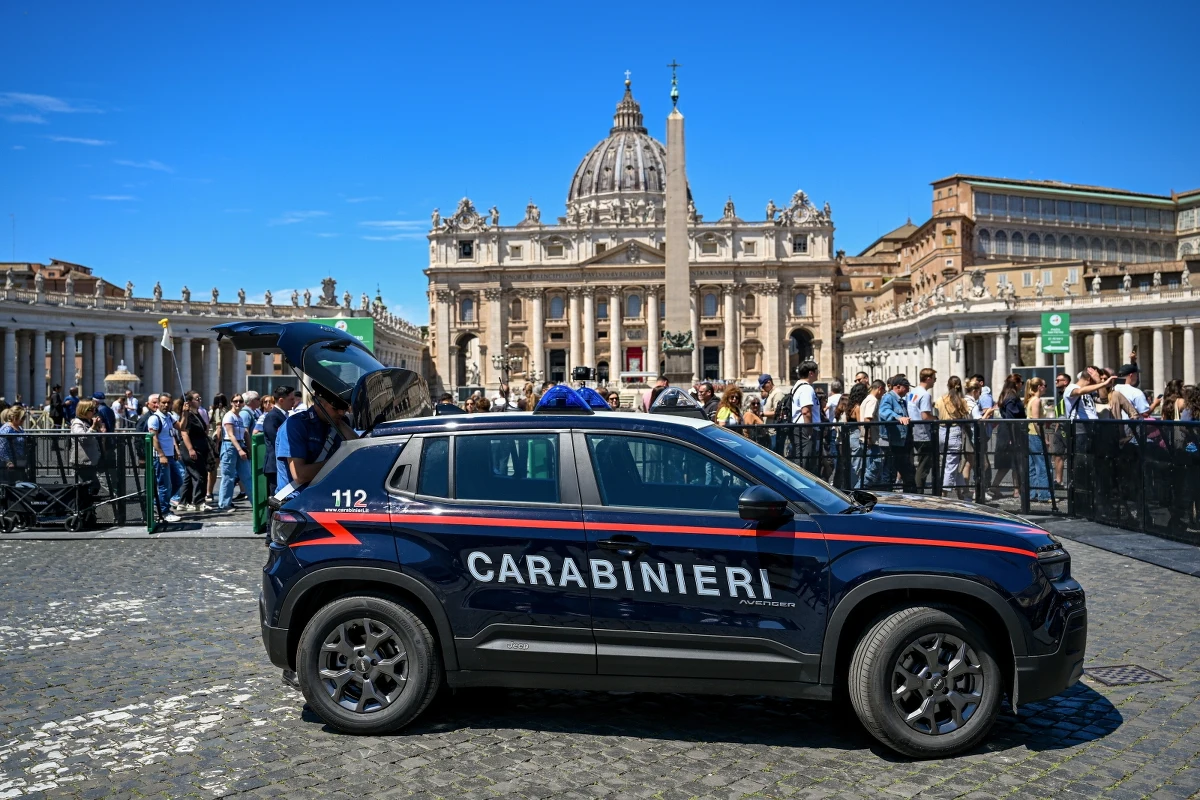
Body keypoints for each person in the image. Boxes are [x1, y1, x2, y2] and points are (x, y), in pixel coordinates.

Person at [275, 383, 351, 499]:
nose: (341, 412)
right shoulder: (296, 425)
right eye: (336, 408)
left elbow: (360, 451)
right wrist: (339, 462)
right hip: (298, 501)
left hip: (327, 497)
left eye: (344, 408)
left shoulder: (339, 422)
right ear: (319, 404)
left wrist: (339, 423)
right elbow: (299, 475)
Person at [988, 374, 1027, 502]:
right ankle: (1016, 490)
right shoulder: (1012, 397)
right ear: (1016, 383)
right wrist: (1013, 436)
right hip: (1011, 432)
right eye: (1021, 382)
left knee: (1009, 462)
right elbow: (1012, 417)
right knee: (1015, 461)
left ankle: (998, 486)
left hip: (1006, 431)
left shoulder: (1005, 395)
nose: (1022, 384)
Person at [147, 392, 183, 524]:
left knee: (178, 481)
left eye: (168, 402)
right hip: (160, 457)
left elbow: (182, 427)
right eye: (163, 402)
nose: (166, 405)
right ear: (158, 403)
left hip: (170, 456)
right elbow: (154, 438)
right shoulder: (155, 418)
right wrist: (161, 455)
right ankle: (164, 511)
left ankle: (160, 503)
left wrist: (185, 412)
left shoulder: (169, 416)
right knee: (164, 485)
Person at [934, 377, 971, 499]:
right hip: (955, 431)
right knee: (951, 465)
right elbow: (966, 414)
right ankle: (944, 494)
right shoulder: (961, 401)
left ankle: (962, 492)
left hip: (941, 431)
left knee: (950, 463)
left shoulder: (940, 399)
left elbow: (936, 412)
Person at [878, 375, 915, 492]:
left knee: (905, 471)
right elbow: (884, 411)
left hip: (902, 441)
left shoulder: (902, 401)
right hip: (893, 442)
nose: (908, 390)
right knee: (890, 472)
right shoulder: (888, 397)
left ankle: (909, 495)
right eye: (906, 387)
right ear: (897, 387)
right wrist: (898, 417)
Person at [176, 391, 211, 512]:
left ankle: (183, 502)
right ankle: (198, 502)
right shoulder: (187, 415)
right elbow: (184, 432)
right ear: (189, 402)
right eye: (197, 398)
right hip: (191, 449)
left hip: (200, 447)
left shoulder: (197, 413)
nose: (200, 400)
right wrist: (191, 449)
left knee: (189, 476)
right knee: (199, 475)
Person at [217, 395, 252, 511]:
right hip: (230, 446)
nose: (238, 403)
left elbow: (245, 434)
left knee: (247, 475)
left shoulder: (240, 417)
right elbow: (230, 434)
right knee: (228, 476)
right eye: (235, 401)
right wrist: (240, 449)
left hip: (240, 444)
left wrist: (249, 448)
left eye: (240, 401)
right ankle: (224, 504)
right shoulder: (229, 416)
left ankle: (254, 502)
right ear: (231, 403)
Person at [262, 385, 296, 495]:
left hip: (281, 464)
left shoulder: (284, 415)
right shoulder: (272, 416)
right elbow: (275, 439)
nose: (294, 402)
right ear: (281, 400)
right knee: (276, 498)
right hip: (274, 466)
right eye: (291, 399)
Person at [907, 368, 937, 493]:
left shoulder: (912, 393)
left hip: (913, 431)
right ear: (928, 378)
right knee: (923, 466)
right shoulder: (925, 395)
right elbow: (925, 415)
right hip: (923, 433)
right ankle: (919, 492)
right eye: (934, 379)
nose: (935, 382)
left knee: (916, 464)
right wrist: (935, 418)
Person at [70, 399, 104, 500]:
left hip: (91, 459)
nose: (94, 412)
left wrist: (99, 426)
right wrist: (93, 426)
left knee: (93, 486)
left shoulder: (87, 422)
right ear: (84, 410)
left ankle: (87, 507)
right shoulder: (77, 423)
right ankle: (84, 508)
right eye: (92, 409)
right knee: (88, 486)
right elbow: (83, 438)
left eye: (95, 409)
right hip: (82, 461)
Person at [858, 379, 886, 488]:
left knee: (870, 469)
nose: (883, 395)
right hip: (871, 440)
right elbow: (867, 419)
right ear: (879, 389)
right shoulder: (873, 400)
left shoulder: (866, 399)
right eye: (883, 392)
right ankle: (858, 489)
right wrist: (868, 437)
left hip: (866, 439)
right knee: (873, 469)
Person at [0, 406, 29, 483]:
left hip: (19, 461)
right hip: (9, 464)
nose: (23, 420)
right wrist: (8, 462)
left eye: (24, 418)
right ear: (14, 417)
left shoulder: (19, 428)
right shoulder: (7, 429)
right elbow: (2, 448)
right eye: (22, 418)